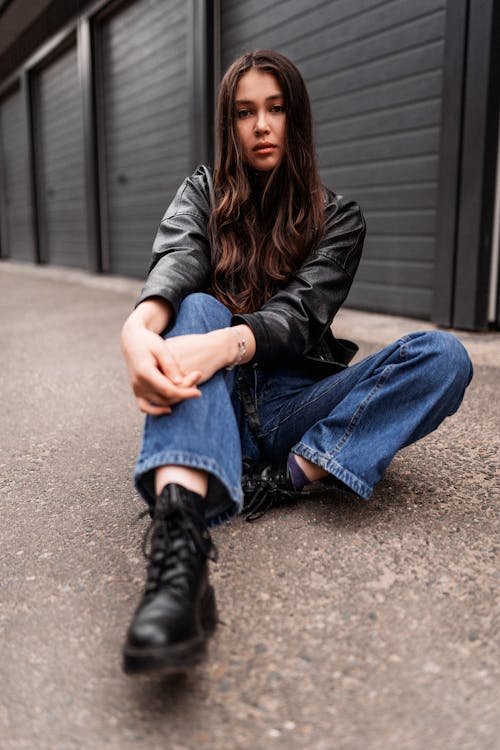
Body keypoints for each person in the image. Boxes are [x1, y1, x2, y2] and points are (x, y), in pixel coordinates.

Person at [119, 50, 473, 676]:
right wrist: (139, 326)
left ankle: (291, 476)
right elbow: (175, 261)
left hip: (291, 403)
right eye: (245, 112)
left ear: (296, 119)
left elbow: (301, 315)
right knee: (195, 304)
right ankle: (179, 558)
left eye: (276, 110)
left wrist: (226, 343)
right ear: (228, 126)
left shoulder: (338, 217)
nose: (261, 126)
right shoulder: (202, 191)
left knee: (442, 356)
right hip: (215, 399)